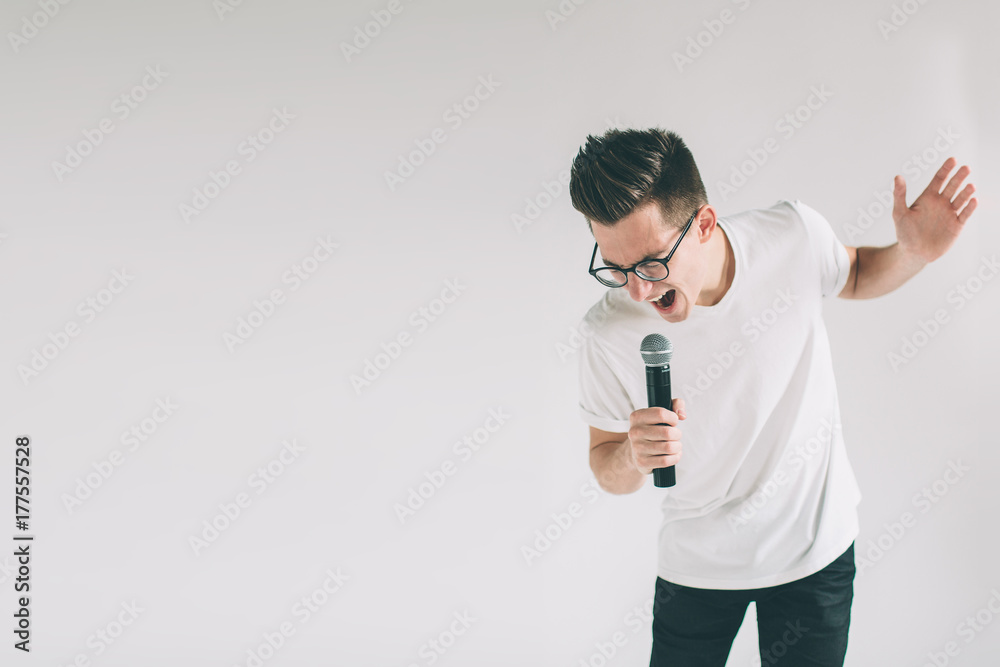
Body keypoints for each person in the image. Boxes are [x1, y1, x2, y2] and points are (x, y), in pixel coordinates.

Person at [569, 128, 977, 666]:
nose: (638, 291)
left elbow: (852, 273)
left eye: (650, 264)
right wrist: (632, 454)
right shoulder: (607, 332)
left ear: (705, 225)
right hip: (697, 566)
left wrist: (911, 253)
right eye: (615, 269)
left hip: (815, 550)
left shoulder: (792, 235)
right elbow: (606, 467)